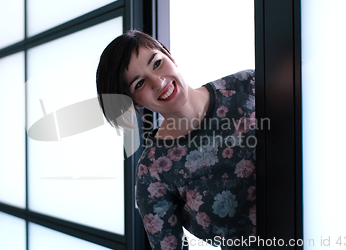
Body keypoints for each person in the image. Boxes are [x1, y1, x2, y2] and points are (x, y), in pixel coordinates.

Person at [96, 30, 256, 250]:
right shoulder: (152, 173)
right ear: (135, 103)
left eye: (157, 63)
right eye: (139, 84)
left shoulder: (248, 85)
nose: (158, 82)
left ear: (170, 57)